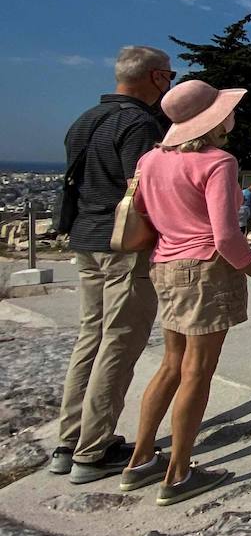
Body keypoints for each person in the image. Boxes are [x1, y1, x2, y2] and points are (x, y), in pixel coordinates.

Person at [120, 80, 251, 505]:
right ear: (213, 120)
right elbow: (226, 236)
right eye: (227, 110)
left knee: (171, 365)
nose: (232, 116)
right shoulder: (218, 162)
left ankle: (139, 461)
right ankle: (178, 474)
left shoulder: (150, 159)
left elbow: (144, 214)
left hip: (165, 266)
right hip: (206, 269)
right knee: (197, 372)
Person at [52, 46, 173, 483]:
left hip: (84, 239)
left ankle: (68, 443)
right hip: (122, 245)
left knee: (91, 338)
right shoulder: (138, 123)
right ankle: (93, 450)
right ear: (157, 78)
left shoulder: (83, 120)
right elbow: (139, 190)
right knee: (119, 342)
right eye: (170, 76)